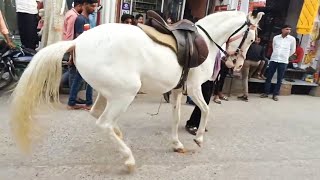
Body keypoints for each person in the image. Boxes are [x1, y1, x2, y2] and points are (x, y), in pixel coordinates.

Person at [67, 0, 97, 110]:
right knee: (88, 78)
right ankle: (87, 103)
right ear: (84, 5)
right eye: (92, 6)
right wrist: (74, 55)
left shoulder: (87, 19)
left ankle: (75, 102)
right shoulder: (80, 19)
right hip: (84, 53)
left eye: (95, 6)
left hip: (86, 53)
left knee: (81, 78)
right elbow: (79, 39)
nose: (94, 8)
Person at [260, 24, 296, 101]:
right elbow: (274, 47)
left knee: (279, 79)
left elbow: (293, 50)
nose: (288, 31)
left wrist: (286, 56)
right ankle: (266, 93)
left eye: (289, 29)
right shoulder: (276, 38)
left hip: (283, 61)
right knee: (269, 77)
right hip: (274, 59)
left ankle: (275, 94)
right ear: (282, 30)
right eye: (287, 29)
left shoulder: (292, 39)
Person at [238, 37, 265, 102]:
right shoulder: (262, 47)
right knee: (249, 75)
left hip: (247, 62)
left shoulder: (249, 46)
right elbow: (263, 58)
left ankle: (245, 95)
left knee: (245, 78)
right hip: (256, 63)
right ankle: (253, 75)